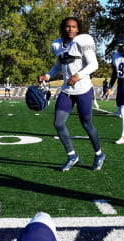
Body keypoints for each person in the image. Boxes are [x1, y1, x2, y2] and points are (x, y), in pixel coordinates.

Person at [38, 17, 105, 172]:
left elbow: (93, 65)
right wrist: (47, 76)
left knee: (87, 124)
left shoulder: (82, 43)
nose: (70, 29)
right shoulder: (57, 45)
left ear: (78, 29)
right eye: (68, 26)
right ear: (63, 28)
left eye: (74, 27)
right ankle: (72, 155)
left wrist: (78, 76)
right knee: (58, 123)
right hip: (67, 91)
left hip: (83, 90)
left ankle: (99, 154)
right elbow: (57, 67)